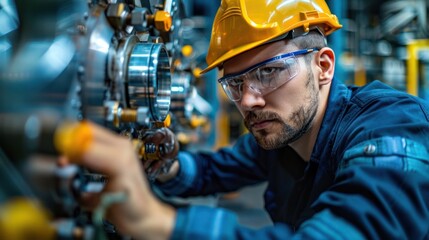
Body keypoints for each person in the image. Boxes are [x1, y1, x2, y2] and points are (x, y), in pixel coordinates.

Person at [61, 0, 429, 239]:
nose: (249, 100)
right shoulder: (282, 135)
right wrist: (163, 165)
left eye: (269, 72)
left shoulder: (391, 125)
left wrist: (160, 223)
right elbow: (215, 170)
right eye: (235, 83)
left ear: (323, 66)